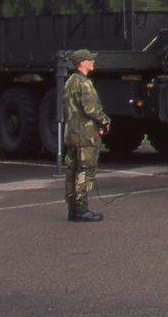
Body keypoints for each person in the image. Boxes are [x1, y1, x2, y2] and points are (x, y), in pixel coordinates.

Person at [63, 49, 110, 223]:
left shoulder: (69, 82)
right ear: (81, 63)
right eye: (90, 59)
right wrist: (105, 120)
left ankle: (72, 208)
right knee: (85, 171)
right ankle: (81, 209)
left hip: (71, 135)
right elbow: (91, 109)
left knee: (72, 171)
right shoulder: (84, 83)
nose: (93, 61)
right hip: (85, 136)